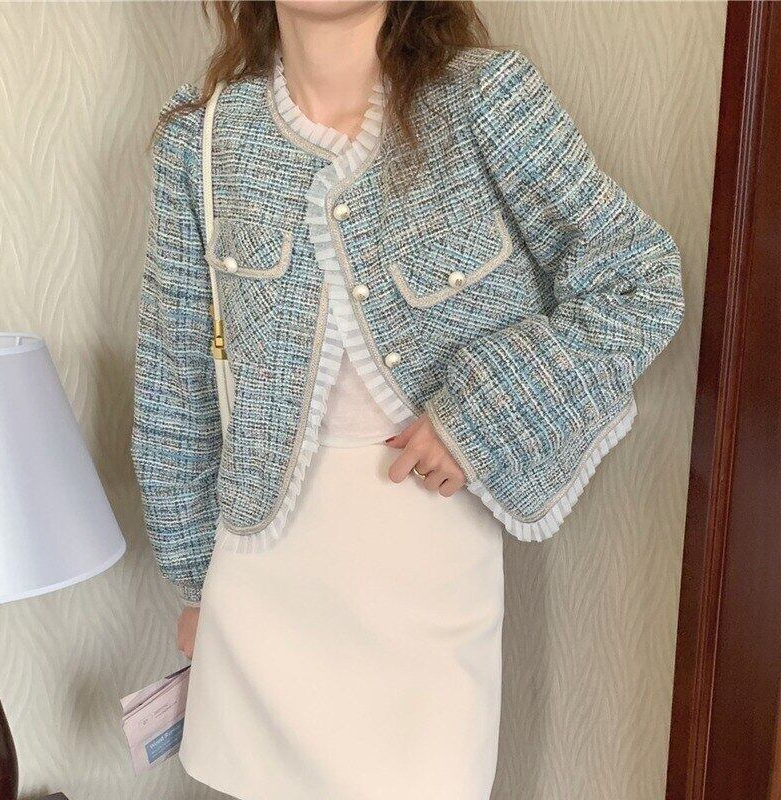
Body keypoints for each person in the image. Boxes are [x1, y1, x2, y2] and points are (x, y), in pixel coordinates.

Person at [130, 2, 684, 798]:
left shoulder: (485, 101)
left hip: (428, 574)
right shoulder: (203, 138)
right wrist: (193, 585)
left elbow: (640, 282)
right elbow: (175, 379)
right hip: (257, 585)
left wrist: (480, 418)